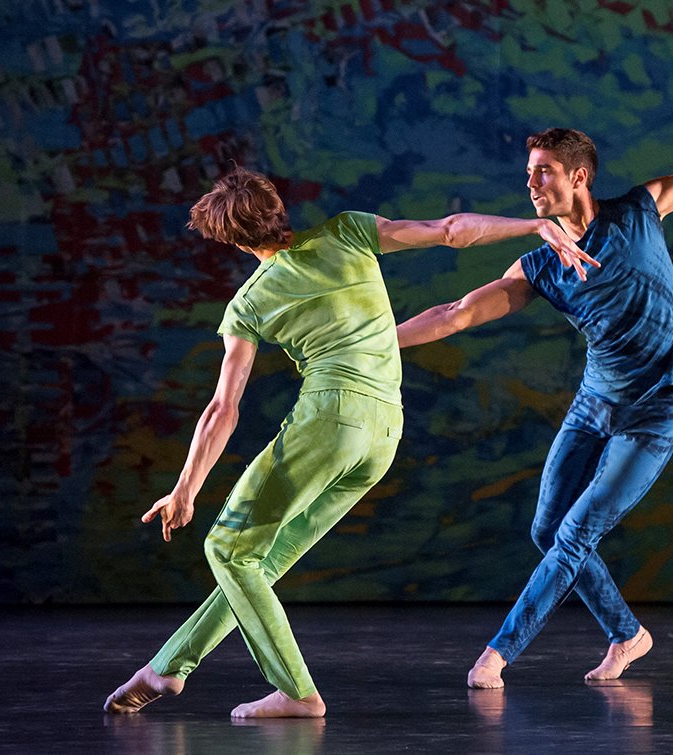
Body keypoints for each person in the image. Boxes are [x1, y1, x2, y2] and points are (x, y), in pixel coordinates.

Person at [396, 68, 673, 688]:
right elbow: (457, 314)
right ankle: (628, 635)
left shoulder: (640, 212)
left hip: (656, 413)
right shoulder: (539, 264)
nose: (530, 185)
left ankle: (496, 656)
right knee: (546, 529)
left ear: (578, 176)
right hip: (594, 406)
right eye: (528, 173)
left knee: (577, 531)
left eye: (543, 173)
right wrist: (373, 342)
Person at [103, 166, 596, 718]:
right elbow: (452, 228)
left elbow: (223, 407)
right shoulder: (348, 231)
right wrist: (532, 226)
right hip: (385, 430)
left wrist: (185, 489)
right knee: (258, 563)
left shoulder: (247, 303)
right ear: (277, 211)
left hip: (331, 419)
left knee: (226, 548)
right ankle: (168, 666)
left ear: (235, 241)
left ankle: (297, 693)